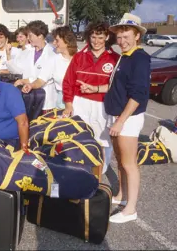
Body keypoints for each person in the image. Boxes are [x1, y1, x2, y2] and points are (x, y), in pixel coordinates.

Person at [77, 13, 150, 223]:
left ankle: (131, 209)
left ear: (137, 36)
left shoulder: (140, 58)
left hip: (128, 118)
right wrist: (95, 87)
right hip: (117, 116)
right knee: (120, 161)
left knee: (129, 164)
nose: (122, 40)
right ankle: (122, 195)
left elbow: (138, 94)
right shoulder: (124, 57)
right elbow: (115, 87)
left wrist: (120, 121)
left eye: (126, 36)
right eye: (119, 36)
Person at [62, 22, 119, 173]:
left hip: (103, 104)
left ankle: (100, 172)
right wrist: (68, 104)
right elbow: (68, 82)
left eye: (100, 37)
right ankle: (80, 170)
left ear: (107, 37)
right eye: (93, 37)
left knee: (103, 140)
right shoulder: (79, 57)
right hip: (80, 103)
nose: (96, 41)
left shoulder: (115, 58)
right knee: (79, 137)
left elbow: (117, 87)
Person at [22, 26, 77, 109]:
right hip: (62, 102)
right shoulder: (53, 60)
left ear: (67, 41)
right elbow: (41, 80)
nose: (54, 43)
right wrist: (31, 85)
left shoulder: (81, 57)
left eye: (57, 40)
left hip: (80, 99)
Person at [9, 20, 57, 113]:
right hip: (29, 99)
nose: (28, 38)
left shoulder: (51, 53)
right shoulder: (28, 51)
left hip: (45, 103)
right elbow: (20, 70)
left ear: (40, 36)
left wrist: (23, 81)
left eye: (30, 36)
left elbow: (41, 80)